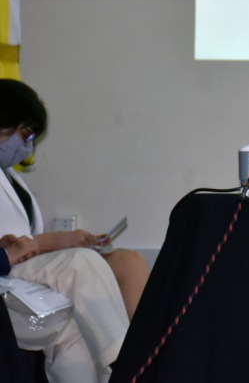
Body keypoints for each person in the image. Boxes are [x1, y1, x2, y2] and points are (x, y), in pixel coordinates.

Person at [1, 79, 145, 382]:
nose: (27, 147)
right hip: (6, 288)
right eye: (25, 134)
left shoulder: (12, 179)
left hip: (23, 289)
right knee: (82, 263)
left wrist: (56, 242)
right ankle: (129, 364)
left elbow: (23, 241)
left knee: (71, 329)